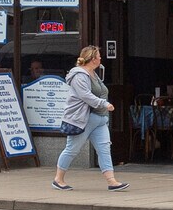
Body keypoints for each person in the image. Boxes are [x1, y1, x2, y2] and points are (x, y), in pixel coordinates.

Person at [53, 45, 126, 191]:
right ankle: (58, 179)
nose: (100, 58)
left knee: (104, 149)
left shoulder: (93, 73)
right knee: (72, 149)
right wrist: (104, 104)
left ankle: (112, 181)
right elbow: (85, 95)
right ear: (92, 59)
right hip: (84, 119)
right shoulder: (80, 75)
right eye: (99, 56)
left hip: (99, 119)